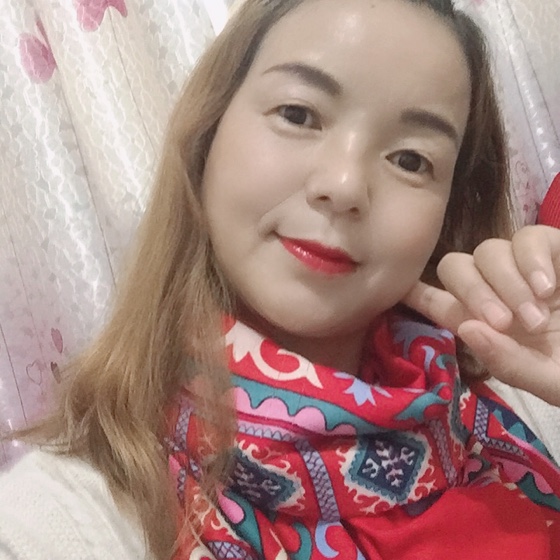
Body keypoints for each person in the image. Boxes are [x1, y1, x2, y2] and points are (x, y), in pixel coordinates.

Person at [0, 0, 559, 558]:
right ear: (208, 132)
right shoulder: (63, 522)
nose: (344, 185)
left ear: (448, 212)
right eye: (298, 114)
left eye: (411, 160)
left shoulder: (519, 401)